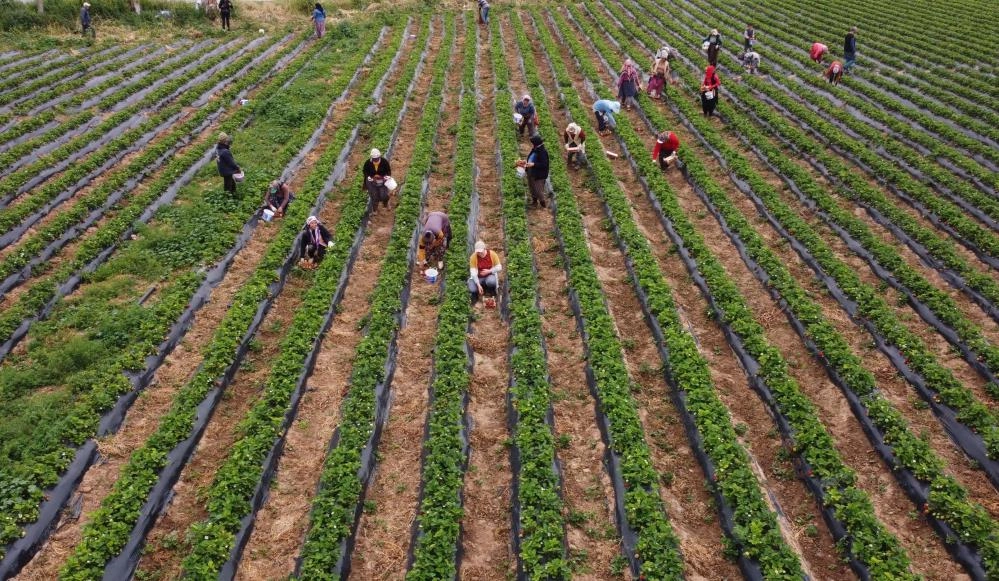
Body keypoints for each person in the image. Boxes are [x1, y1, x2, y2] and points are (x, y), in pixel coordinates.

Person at [468, 240, 502, 307]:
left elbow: (499, 267)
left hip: (489, 276)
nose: (479, 254)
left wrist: (489, 271)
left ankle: (491, 290)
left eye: (481, 252)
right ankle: (475, 295)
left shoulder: (492, 254)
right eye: (478, 252)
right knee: (472, 288)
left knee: (491, 281)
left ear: (484, 248)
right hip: (478, 278)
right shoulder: (473, 257)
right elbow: (473, 273)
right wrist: (478, 285)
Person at [521, 134, 549, 207]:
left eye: (532, 142)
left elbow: (544, 164)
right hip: (531, 171)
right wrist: (526, 162)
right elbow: (531, 158)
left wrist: (533, 164)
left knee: (538, 190)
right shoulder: (535, 149)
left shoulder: (542, 152)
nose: (531, 144)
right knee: (531, 186)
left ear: (535, 143)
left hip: (538, 174)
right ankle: (534, 202)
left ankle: (543, 205)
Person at [362, 148, 392, 212]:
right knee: (374, 196)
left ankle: (386, 204)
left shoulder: (384, 162)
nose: (375, 160)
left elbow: (388, 170)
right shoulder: (368, 163)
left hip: (382, 179)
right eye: (374, 159)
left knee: (384, 195)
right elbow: (365, 171)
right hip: (372, 181)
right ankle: (375, 210)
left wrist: (387, 176)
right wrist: (369, 177)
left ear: (379, 156)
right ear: (371, 158)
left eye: (376, 158)